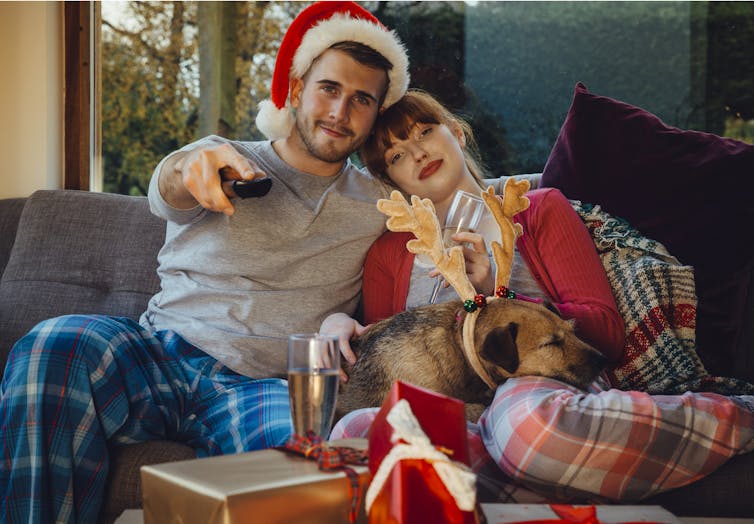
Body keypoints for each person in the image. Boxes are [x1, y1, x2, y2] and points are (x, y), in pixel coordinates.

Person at [0, 3, 409, 522]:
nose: (340, 111)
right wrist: (187, 166)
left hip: (267, 386)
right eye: (329, 88)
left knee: (305, 456)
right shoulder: (222, 157)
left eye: (362, 99)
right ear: (296, 87)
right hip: (159, 355)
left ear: (376, 113)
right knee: (51, 345)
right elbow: (172, 185)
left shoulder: (381, 203)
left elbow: (439, 222)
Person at [325, 90, 754, 503]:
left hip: (540, 391)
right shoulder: (389, 253)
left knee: (527, 430)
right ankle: (559, 485)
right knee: (358, 429)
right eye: (396, 156)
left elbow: (604, 332)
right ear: (389, 180)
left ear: (456, 132)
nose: (416, 153)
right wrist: (338, 325)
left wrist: (499, 293)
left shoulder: (539, 209)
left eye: (423, 132)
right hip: (462, 410)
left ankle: (742, 416)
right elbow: (387, 359)